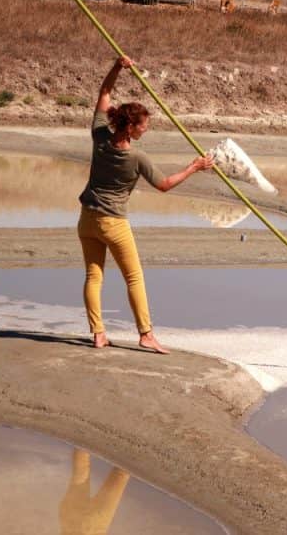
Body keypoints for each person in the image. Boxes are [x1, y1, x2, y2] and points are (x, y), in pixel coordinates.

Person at [77, 57, 213, 353]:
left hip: (87, 219)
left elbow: (103, 94)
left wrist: (116, 67)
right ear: (130, 128)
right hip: (113, 222)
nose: (146, 130)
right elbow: (164, 185)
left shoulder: (100, 137)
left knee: (93, 275)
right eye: (144, 126)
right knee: (134, 277)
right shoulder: (136, 158)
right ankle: (146, 334)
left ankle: (98, 334)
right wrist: (194, 167)